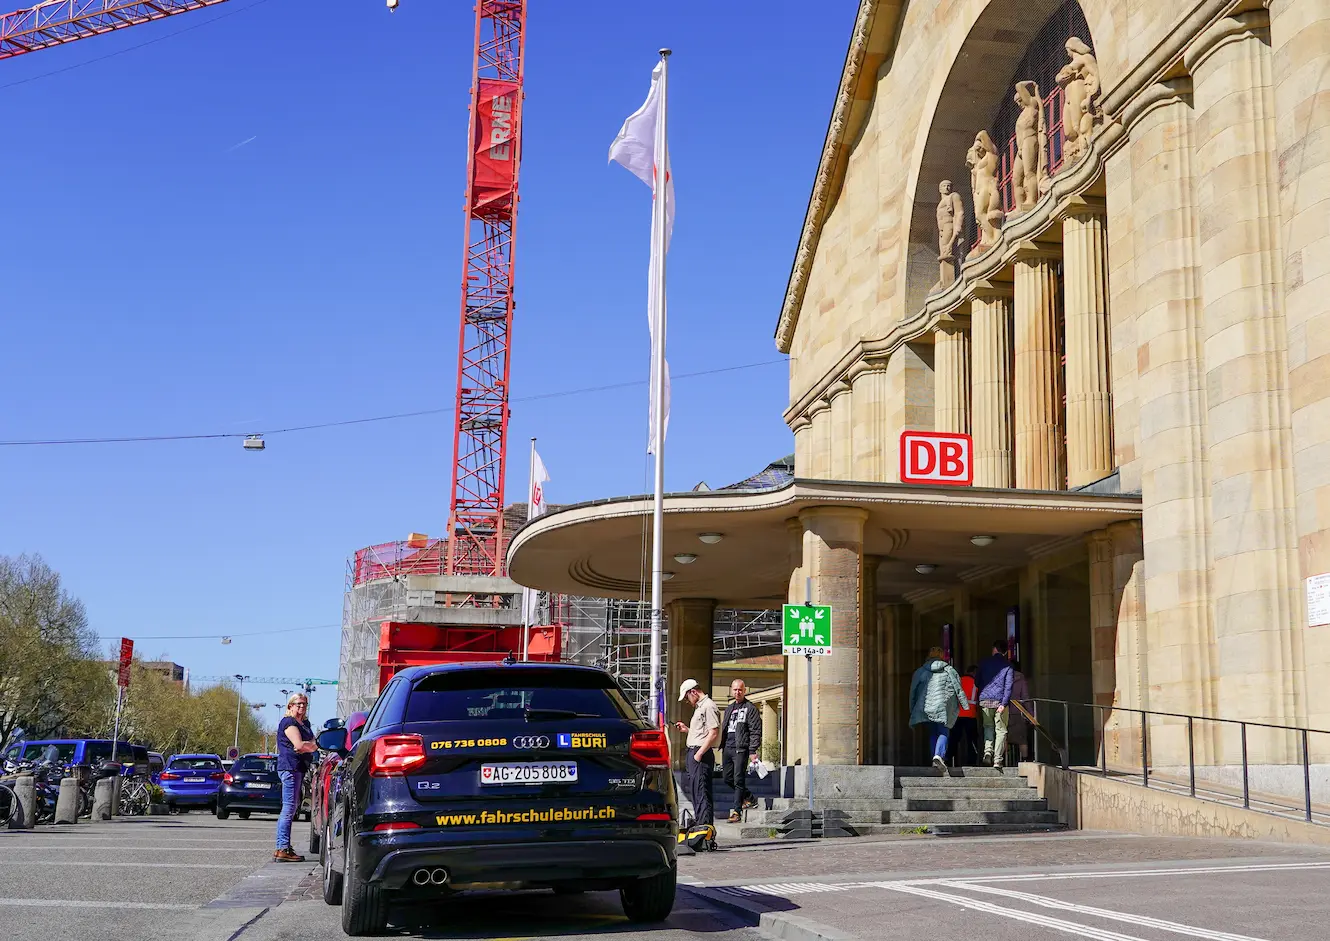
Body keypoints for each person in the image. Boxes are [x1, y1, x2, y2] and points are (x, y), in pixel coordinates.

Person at [908, 647, 969, 773]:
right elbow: (958, 688)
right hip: (944, 706)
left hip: (927, 707)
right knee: (943, 731)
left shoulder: (920, 671)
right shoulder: (949, 670)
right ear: (942, 656)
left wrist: (912, 708)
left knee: (933, 733)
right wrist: (964, 705)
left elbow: (912, 691)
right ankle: (939, 756)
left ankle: (935, 758)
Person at [274, 691, 316, 862]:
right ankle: (283, 847)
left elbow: (313, 743)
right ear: (290, 705)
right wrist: (309, 746)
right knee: (289, 807)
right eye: (298, 703)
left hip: (298, 767)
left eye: (304, 704)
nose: (302, 707)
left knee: (292, 807)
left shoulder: (304, 723)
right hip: (290, 767)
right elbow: (299, 745)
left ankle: (283, 847)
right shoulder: (289, 722)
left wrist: (310, 746)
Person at [673, 678, 720, 829]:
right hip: (695, 751)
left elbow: (713, 733)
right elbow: (702, 732)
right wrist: (687, 730)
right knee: (696, 791)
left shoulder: (708, 706)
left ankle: (704, 827)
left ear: (693, 692)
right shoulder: (700, 707)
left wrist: (699, 754)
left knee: (701, 791)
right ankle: (701, 824)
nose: (688, 701)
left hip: (700, 754)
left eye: (687, 698)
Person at [720, 679, 762, 823]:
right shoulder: (729, 708)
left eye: (740, 690)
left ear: (744, 691)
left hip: (741, 748)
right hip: (728, 747)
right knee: (727, 778)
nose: (737, 692)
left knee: (739, 779)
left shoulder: (750, 708)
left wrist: (752, 750)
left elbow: (755, 730)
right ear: (731, 690)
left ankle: (737, 811)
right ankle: (749, 798)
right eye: (735, 689)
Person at [975, 640, 1015, 769]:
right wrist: (1004, 703)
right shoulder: (1007, 666)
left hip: (985, 701)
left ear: (994, 649)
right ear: (1004, 652)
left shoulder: (984, 663)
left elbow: (977, 681)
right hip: (999, 702)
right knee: (1001, 731)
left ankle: (987, 752)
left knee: (988, 727)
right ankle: (997, 759)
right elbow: (1008, 686)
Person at [948, 665, 981, 767]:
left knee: (954, 739)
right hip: (970, 715)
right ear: (974, 673)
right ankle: (972, 761)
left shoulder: (958, 681)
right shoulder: (976, 683)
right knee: (971, 740)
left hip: (957, 715)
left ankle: (948, 759)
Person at [1008, 661, 1032, 762]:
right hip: (1018, 712)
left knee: (1004, 737)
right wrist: (1031, 715)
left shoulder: (1003, 678)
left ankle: (1003, 761)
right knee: (1022, 739)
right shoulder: (1021, 679)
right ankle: (1025, 760)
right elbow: (1025, 698)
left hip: (1005, 711)